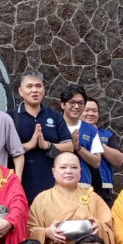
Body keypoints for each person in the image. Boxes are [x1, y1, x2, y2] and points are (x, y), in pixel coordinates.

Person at [28, 152, 120, 244]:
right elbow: (30, 230)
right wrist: (46, 232)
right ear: (54, 171)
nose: (69, 171)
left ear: (80, 171)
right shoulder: (42, 199)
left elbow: (109, 227)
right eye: (63, 167)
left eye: (74, 167)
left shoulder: (92, 198)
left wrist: (98, 226)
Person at [8, 71, 73, 203]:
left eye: (38, 86)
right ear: (21, 91)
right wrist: (29, 145)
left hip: (51, 183)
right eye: (29, 86)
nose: (34, 90)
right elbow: (4, 149)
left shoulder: (54, 116)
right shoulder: (10, 117)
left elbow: (70, 146)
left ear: (44, 90)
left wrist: (47, 145)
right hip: (21, 183)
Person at [81, 97, 123, 206]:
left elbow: (119, 161)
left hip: (103, 191)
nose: (91, 113)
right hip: (79, 188)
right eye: (86, 110)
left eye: (94, 111)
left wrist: (97, 141)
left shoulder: (107, 135)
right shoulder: (71, 132)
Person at [59, 85, 103, 189]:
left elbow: (97, 162)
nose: (76, 106)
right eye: (72, 102)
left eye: (80, 103)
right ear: (63, 105)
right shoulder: (54, 126)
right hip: (56, 185)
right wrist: (67, 146)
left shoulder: (91, 130)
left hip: (83, 185)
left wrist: (78, 148)